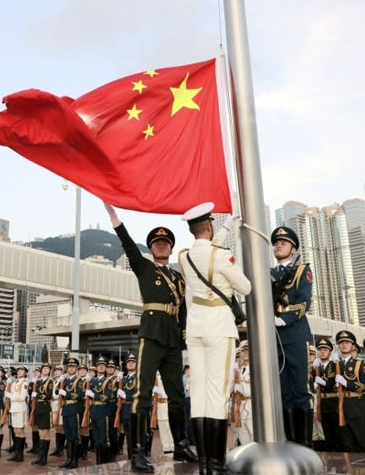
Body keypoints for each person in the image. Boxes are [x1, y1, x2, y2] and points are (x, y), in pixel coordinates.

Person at [104, 202, 197, 472]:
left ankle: (180, 443)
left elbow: (182, 312)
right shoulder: (144, 268)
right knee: (142, 395)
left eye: (165, 242)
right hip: (151, 336)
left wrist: (183, 345)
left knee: (177, 395)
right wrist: (115, 219)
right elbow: (128, 245)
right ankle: (137, 452)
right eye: (157, 242)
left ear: (170, 248)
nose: (161, 245)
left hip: (171, 341)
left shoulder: (179, 279)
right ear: (151, 248)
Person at [178, 202, 250, 475]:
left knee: (198, 395)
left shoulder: (184, 256)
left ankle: (206, 464)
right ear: (208, 225)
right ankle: (218, 466)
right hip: (219, 327)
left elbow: (206, 248)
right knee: (217, 395)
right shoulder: (222, 256)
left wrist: (227, 224)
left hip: (195, 330)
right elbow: (246, 286)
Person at [269, 225, 314, 445]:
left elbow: (304, 301)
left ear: (293, 249)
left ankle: (305, 445)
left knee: (300, 391)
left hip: (295, 335)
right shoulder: (267, 274)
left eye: (283, 243)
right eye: (276, 243)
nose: (278, 245)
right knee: (283, 392)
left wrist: (283, 318)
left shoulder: (302, 270)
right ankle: (290, 443)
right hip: (275, 339)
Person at [331, 330, 365, 453]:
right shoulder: (336, 364)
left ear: (353, 345)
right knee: (348, 446)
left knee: (362, 444)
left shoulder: (359, 363)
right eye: (341, 343)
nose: (344, 345)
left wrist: (346, 383)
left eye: (347, 342)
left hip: (357, 408)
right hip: (342, 408)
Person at [58, 357, 86, 469]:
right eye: (69, 367)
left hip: (75, 409)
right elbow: (57, 391)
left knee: (75, 436)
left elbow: (79, 395)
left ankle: (74, 461)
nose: (70, 369)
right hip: (66, 410)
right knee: (68, 436)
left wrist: (66, 394)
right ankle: (68, 459)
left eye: (73, 367)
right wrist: (59, 383)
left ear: (76, 368)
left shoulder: (79, 381)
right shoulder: (65, 380)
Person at [311, 338, 339, 451]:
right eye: (320, 350)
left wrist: (323, 382)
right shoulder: (317, 367)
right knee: (327, 435)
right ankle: (332, 462)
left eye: (325, 350)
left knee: (337, 434)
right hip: (322, 404)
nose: (322, 352)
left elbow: (333, 384)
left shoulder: (334, 366)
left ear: (330, 352)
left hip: (334, 404)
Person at [88, 356, 113, 464]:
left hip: (103, 411)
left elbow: (107, 397)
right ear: (96, 367)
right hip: (94, 411)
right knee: (96, 438)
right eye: (99, 365)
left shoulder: (108, 381)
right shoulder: (92, 381)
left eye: (103, 366)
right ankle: (98, 463)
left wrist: (94, 395)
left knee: (103, 438)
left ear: (106, 368)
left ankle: (103, 462)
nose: (101, 367)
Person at [30, 362, 53, 466]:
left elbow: (48, 395)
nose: (45, 370)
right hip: (38, 408)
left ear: (49, 371)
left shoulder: (50, 381)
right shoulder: (38, 382)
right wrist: (33, 384)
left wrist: (37, 394)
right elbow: (31, 392)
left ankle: (44, 458)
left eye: (47, 369)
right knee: (40, 433)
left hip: (45, 408)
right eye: (43, 368)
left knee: (45, 433)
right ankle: (40, 456)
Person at [7, 364, 29, 462]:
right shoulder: (15, 382)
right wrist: (8, 383)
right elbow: (10, 392)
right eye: (18, 370)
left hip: (20, 408)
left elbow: (21, 397)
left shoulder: (24, 383)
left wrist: (10, 396)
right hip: (14, 409)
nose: (19, 372)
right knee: (15, 431)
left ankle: (20, 454)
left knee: (20, 431)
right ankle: (17, 453)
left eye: (22, 370)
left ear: (25, 373)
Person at [232, 341, 253, 447]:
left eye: (248, 351)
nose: (245, 353)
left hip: (250, 405)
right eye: (243, 351)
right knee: (242, 438)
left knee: (253, 436)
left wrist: (243, 391)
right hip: (240, 407)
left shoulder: (255, 370)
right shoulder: (238, 371)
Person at [119, 353, 137, 459]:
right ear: (126, 365)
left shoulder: (138, 378)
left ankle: (135, 459)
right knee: (128, 437)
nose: (130, 364)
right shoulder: (124, 379)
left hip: (133, 409)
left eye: (132, 362)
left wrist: (126, 396)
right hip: (125, 410)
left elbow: (138, 394)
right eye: (128, 363)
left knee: (134, 437)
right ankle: (131, 459)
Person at [50, 364, 65, 457]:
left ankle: (61, 449)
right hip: (53, 405)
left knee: (61, 427)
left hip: (60, 405)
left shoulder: (62, 382)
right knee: (56, 427)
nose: (56, 372)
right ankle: (57, 448)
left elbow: (59, 395)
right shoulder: (54, 382)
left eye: (59, 371)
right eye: (55, 371)